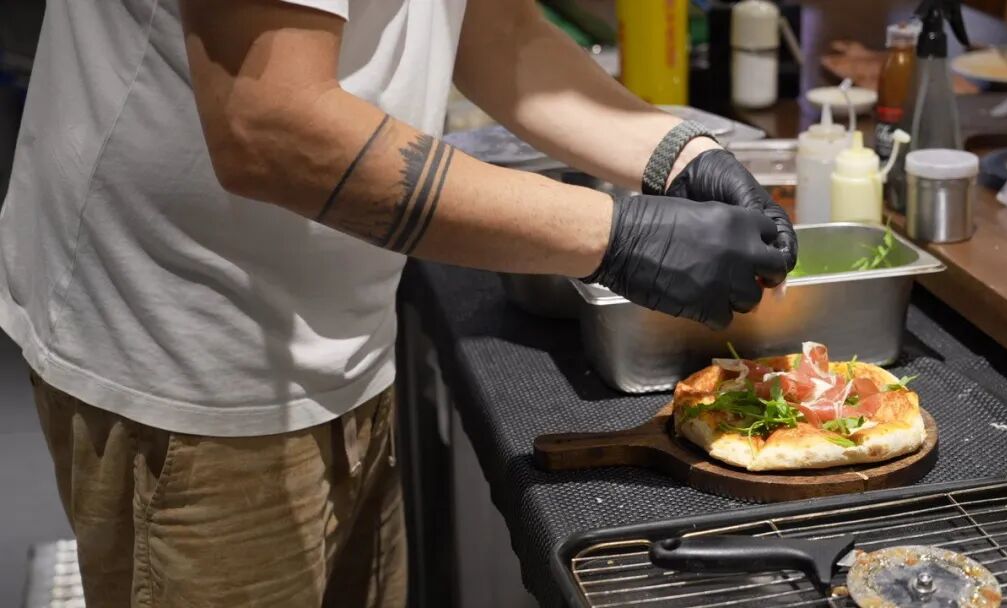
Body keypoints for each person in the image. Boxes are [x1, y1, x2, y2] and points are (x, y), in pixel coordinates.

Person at [0, 0, 796, 606]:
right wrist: (615, 235)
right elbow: (268, 123)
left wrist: (675, 154)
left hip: (335, 320)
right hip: (189, 348)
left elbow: (488, 26)